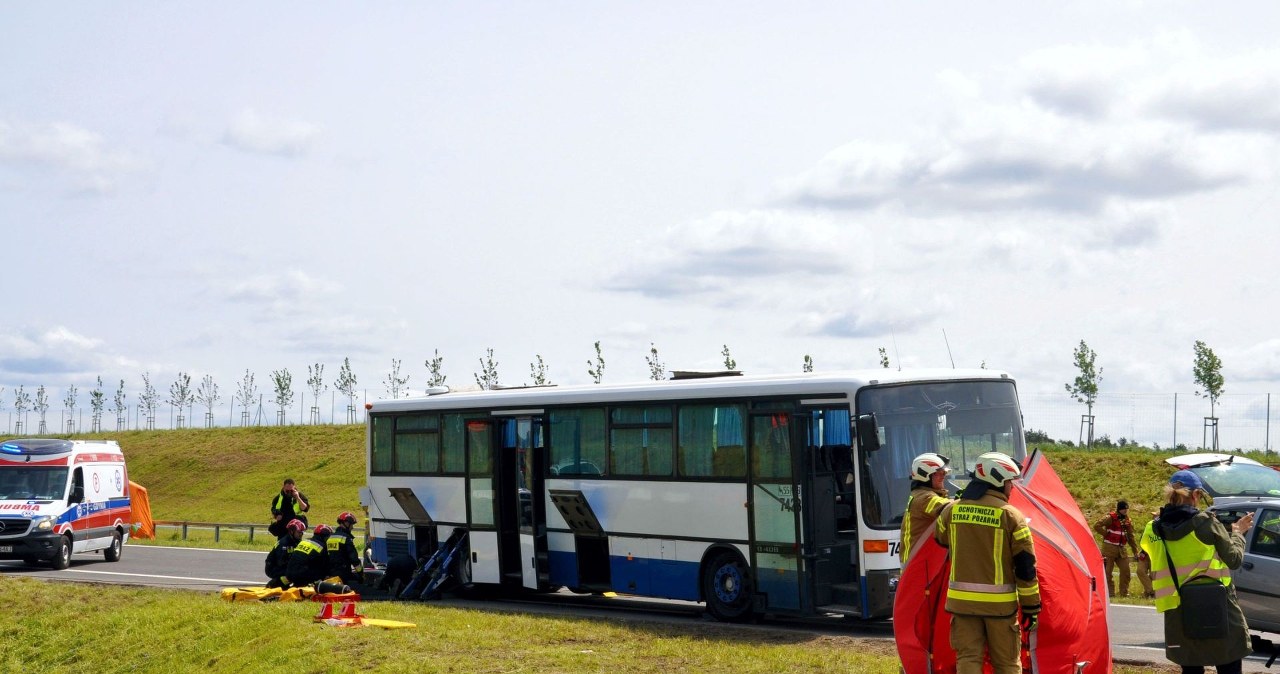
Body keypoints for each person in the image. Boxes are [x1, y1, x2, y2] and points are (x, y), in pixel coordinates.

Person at [934, 452, 1039, 674]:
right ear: (998, 481)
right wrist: (1031, 606)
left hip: (962, 606)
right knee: (1007, 664)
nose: (1011, 488)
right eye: (1010, 482)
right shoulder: (1012, 517)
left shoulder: (952, 510)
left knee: (968, 660)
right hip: (1000, 609)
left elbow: (941, 538)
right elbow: (1026, 568)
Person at [1140, 470, 1254, 674]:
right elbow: (1234, 560)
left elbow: (1163, 547)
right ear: (1195, 495)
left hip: (1178, 609)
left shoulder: (1153, 528)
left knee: (1191, 669)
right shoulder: (1206, 522)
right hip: (1217, 607)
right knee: (1228, 664)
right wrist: (1237, 534)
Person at [900, 452, 953, 564]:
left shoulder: (921, 493)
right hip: (918, 564)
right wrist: (968, 500)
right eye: (939, 473)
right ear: (925, 475)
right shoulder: (924, 497)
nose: (943, 476)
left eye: (944, 472)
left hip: (920, 561)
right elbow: (949, 509)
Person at [1094, 500, 1140, 597]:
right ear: (1119, 508)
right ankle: (1110, 593)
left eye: (1126, 509)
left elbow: (1131, 537)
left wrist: (1135, 551)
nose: (1125, 511)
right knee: (1107, 573)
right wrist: (1106, 534)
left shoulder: (1127, 521)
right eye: (1123, 508)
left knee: (1126, 571)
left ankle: (1123, 593)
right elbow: (1097, 525)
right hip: (1109, 549)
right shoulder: (1110, 518)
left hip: (1121, 550)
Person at [283, 523, 333, 590]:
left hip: (288, 573)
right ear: (324, 537)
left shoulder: (304, 541)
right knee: (323, 572)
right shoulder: (321, 547)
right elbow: (325, 566)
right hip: (302, 576)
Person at [265, 518, 306, 588]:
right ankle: (274, 585)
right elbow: (281, 562)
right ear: (292, 531)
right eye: (299, 532)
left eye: (302, 532)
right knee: (292, 573)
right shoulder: (284, 544)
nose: (301, 534)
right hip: (273, 568)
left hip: (282, 566)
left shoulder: (296, 541)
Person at [327, 511, 363, 586]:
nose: (352, 527)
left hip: (330, 573)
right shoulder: (346, 538)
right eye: (352, 524)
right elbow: (354, 559)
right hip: (343, 574)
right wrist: (361, 574)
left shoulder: (330, 537)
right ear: (346, 523)